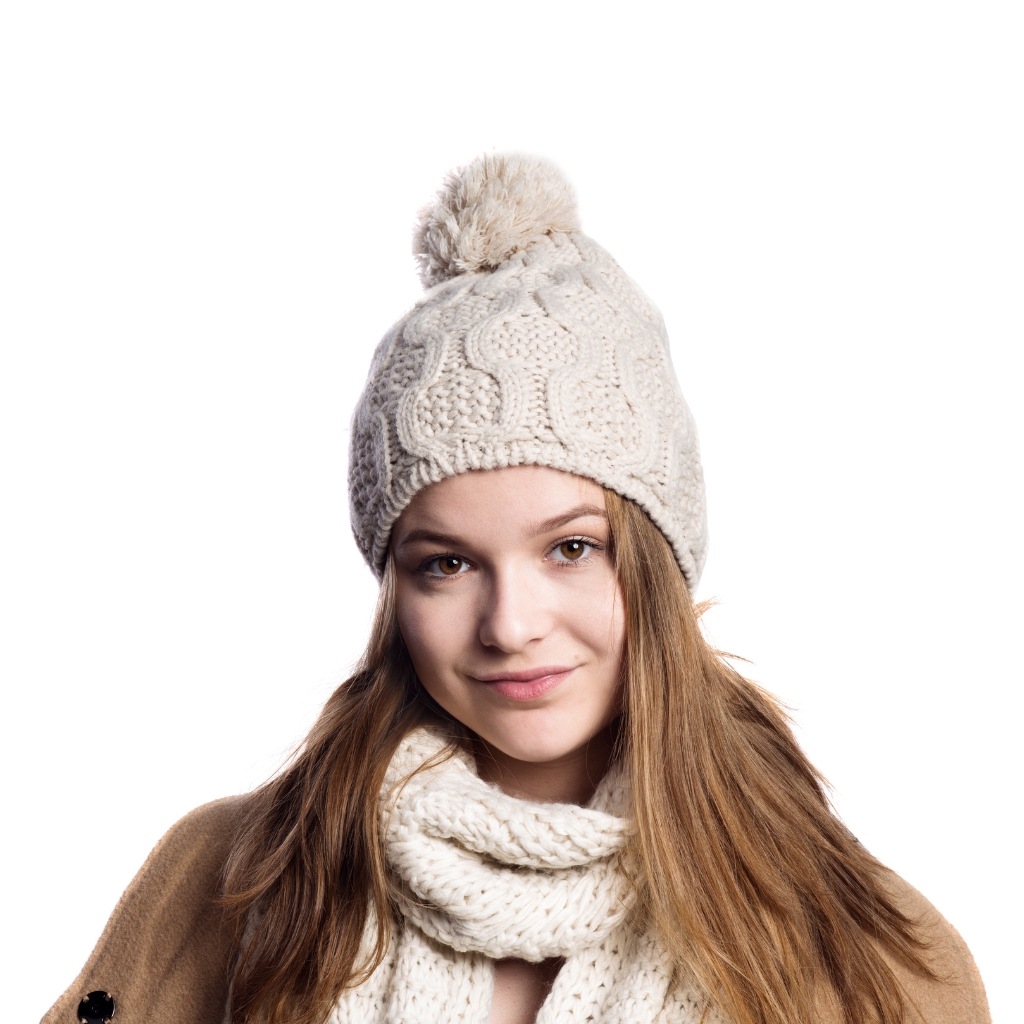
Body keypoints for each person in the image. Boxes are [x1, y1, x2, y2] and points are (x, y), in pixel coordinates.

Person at [43, 154, 989, 1024]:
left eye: (571, 549)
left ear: (655, 564)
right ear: (395, 588)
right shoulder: (232, 878)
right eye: (446, 564)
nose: (511, 624)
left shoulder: (870, 948)